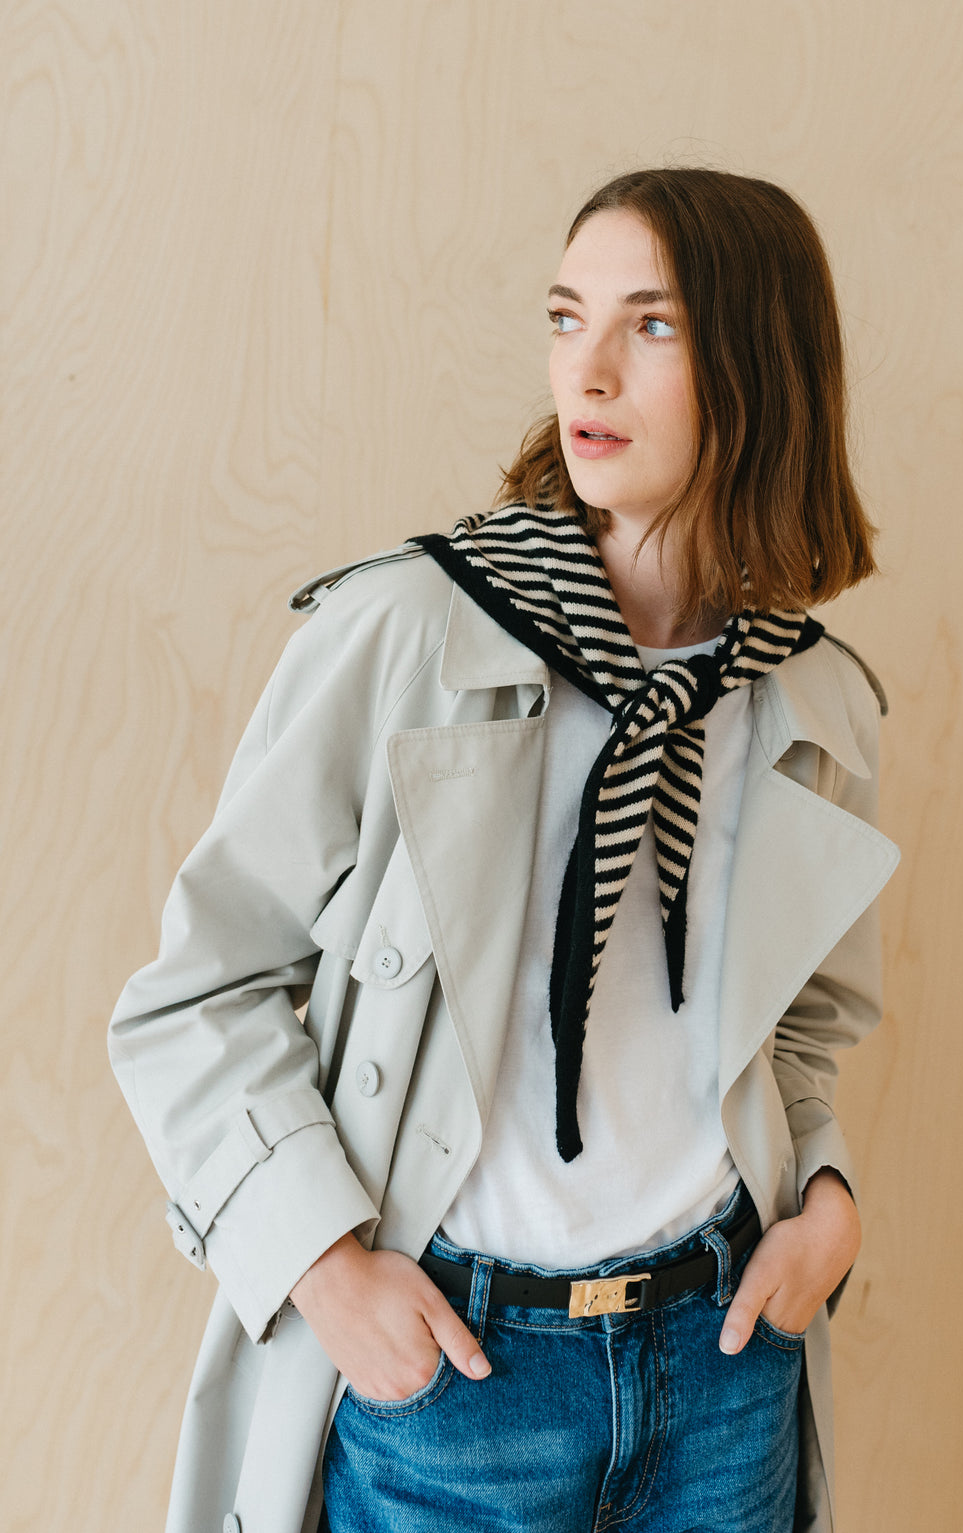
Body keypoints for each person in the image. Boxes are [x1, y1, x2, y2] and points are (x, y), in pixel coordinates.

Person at [109, 168, 900, 1533]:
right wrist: (321, 1267)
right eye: (566, 314)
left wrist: (826, 1200)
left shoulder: (812, 697)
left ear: (760, 365)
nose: (585, 368)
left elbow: (806, 1031)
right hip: (455, 1379)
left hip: (724, 1369)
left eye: (651, 324)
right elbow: (197, 993)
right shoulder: (411, 633)